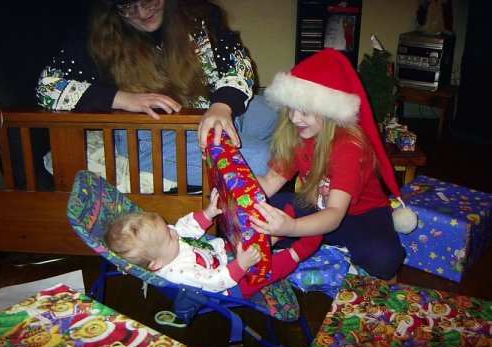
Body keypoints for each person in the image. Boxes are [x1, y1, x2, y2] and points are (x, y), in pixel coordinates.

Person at [36, 0, 277, 186]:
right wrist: (121, 98)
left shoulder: (201, 16)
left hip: (205, 109)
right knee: (259, 159)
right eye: (128, 6)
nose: (142, 12)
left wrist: (223, 106)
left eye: (149, 0)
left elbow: (237, 63)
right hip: (150, 133)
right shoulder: (96, 36)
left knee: (283, 117)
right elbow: (47, 86)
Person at [249, 49, 408, 281]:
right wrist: (236, 190)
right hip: (317, 206)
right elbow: (270, 181)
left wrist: (290, 227)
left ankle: (320, 242)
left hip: (362, 215)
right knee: (263, 211)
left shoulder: (349, 146)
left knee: (384, 261)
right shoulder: (298, 135)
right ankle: (318, 241)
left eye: (304, 111)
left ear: (330, 111)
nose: (294, 118)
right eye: (291, 108)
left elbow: (335, 214)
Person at [105, 189, 314, 298]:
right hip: (231, 285)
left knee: (247, 240)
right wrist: (241, 265)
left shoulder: (167, 245)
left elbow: (184, 227)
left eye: (167, 226)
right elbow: (216, 280)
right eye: (169, 236)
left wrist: (208, 212)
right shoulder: (180, 273)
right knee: (263, 270)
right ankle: (298, 252)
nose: (173, 232)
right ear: (155, 265)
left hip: (221, 257)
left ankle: (277, 234)